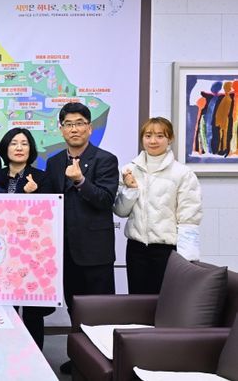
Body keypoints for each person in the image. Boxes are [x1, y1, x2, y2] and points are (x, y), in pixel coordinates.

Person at [44, 102, 119, 374]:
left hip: (95, 252)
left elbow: (105, 200)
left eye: (79, 123)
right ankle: (79, 357)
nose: (74, 129)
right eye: (68, 124)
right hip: (64, 251)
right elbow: (50, 203)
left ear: (89, 128)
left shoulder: (106, 159)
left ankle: (104, 362)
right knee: (74, 308)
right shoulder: (53, 162)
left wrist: (80, 181)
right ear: (61, 129)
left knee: (100, 311)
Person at [114, 117, 202, 294]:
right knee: (138, 301)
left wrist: (186, 258)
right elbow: (120, 211)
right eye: (148, 136)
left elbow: (189, 219)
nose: (153, 141)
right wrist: (131, 189)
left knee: (168, 301)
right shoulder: (129, 170)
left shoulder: (183, 173)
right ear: (142, 138)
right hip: (136, 249)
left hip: (168, 251)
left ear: (170, 139)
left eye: (160, 136)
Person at [0, 127, 55, 350]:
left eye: (24, 143)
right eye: (13, 143)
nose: (19, 148)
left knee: (32, 312)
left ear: (31, 149)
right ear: (5, 148)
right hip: (0, 253)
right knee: (4, 309)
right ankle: (4, 354)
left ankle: (35, 358)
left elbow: (50, 215)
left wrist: (35, 195)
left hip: (31, 255)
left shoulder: (42, 177)